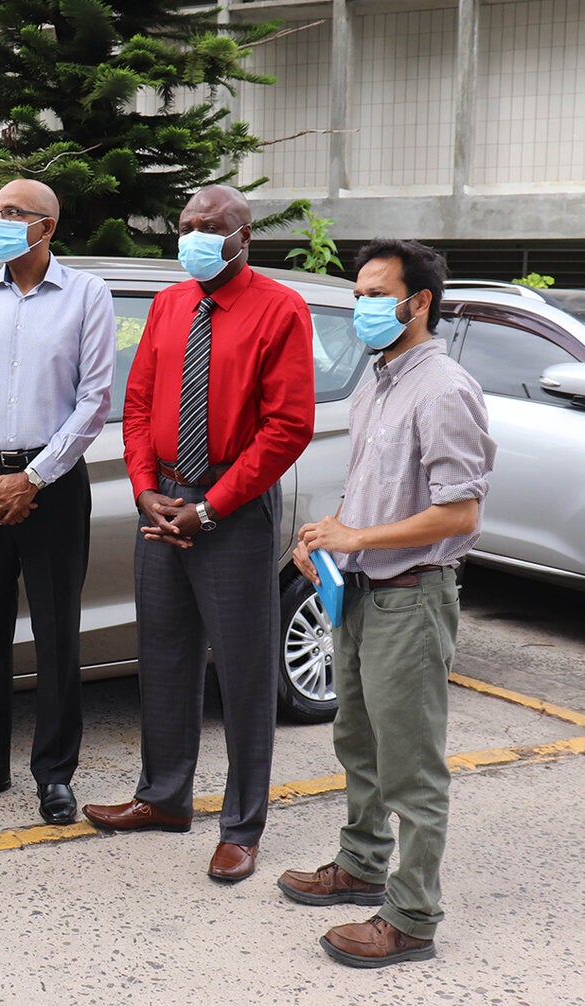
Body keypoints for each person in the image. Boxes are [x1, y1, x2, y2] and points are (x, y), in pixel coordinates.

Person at [83, 185, 315, 882]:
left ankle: (242, 827)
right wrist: (145, 489)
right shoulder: (170, 302)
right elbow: (139, 402)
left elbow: (288, 427)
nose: (194, 237)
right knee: (164, 657)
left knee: (244, 676)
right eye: (186, 226)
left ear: (244, 237)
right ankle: (164, 799)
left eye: (210, 227)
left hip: (233, 507)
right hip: (165, 500)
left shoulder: (281, 308)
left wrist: (210, 507)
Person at [279, 239, 494, 968]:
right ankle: (362, 865)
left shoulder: (443, 389)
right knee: (359, 742)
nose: (363, 306)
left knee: (412, 766)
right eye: (360, 292)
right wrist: (328, 542)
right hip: (363, 591)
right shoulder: (379, 379)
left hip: (411, 599)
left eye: (377, 294)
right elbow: (370, 485)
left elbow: (459, 515)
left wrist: (358, 535)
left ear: (418, 302)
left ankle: (411, 917)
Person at [0, 178, 116, 825]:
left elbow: (95, 400)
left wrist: (33, 478)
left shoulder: (86, 296)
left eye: (16, 213)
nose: (1, 221)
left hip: (55, 485)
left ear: (48, 227)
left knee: (58, 632)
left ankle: (54, 775)